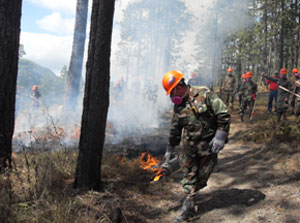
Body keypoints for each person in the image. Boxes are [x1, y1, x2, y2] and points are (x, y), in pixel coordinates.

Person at [162, 70, 230, 222]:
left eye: (172, 93)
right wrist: (170, 149)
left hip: (208, 145)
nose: (172, 97)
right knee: (189, 176)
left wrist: (220, 135)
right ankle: (189, 207)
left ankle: (192, 194)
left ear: (179, 87)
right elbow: (175, 128)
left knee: (203, 175)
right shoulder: (179, 106)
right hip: (189, 147)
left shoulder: (204, 93)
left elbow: (223, 113)